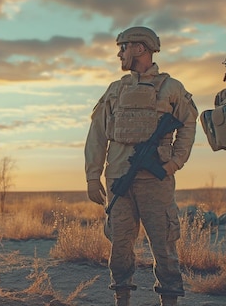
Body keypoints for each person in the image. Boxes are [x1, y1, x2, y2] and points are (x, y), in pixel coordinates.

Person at [84, 26, 198, 306]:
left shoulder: (171, 87)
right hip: (119, 180)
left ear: (139, 49)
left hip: (155, 182)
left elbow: (189, 124)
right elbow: (97, 134)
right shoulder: (116, 89)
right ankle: (121, 298)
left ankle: (169, 300)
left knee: (164, 245)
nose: (119, 53)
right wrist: (92, 175)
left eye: (123, 47)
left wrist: (174, 162)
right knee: (120, 245)